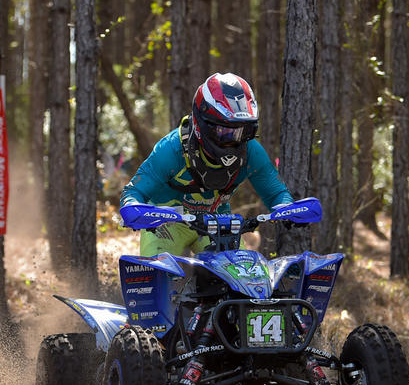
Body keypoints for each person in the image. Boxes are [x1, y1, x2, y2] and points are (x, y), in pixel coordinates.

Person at [120, 72, 293, 256]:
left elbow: (277, 193)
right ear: (202, 123)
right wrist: (133, 207)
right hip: (166, 224)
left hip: (218, 224)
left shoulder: (251, 151)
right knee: (158, 269)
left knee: (241, 273)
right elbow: (134, 191)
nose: (234, 140)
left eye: (244, 131)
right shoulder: (171, 149)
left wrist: (287, 208)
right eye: (225, 132)